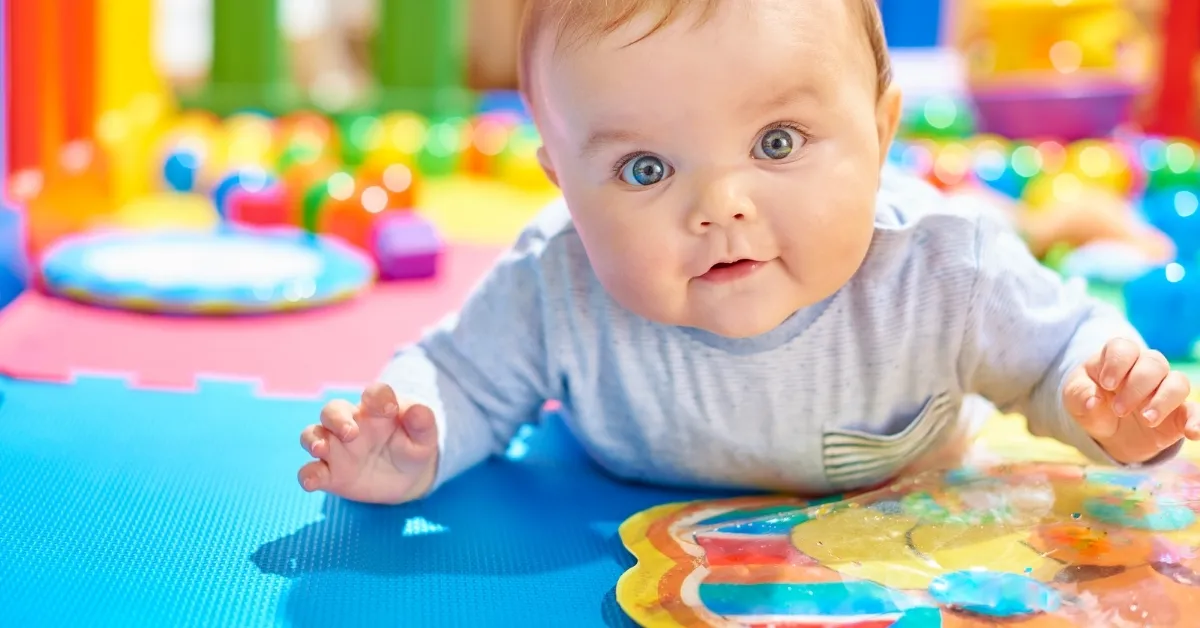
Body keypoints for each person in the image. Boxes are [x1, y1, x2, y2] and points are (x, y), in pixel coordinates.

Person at [297, 0, 1200, 505]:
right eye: (644, 167)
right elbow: (460, 378)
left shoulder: (944, 268)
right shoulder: (557, 279)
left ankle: (1068, 221)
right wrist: (414, 437)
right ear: (564, 182)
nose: (719, 207)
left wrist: (1106, 409)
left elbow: (1054, 356)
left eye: (777, 143)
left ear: (882, 133)